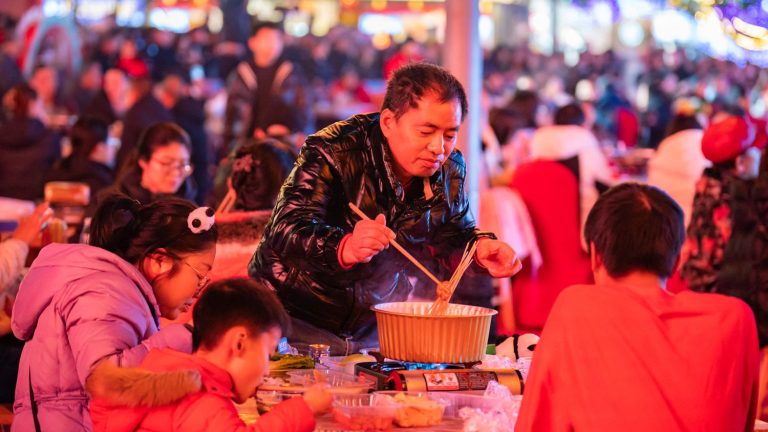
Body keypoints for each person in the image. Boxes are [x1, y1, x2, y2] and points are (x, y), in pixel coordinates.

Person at [249, 63, 521, 355]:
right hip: (294, 318)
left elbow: (452, 234)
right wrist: (344, 246)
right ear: (389, 121)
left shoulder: (450, 168)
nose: (438, 148)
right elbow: (286, 227)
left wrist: (477, 249)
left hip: (375, 323)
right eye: (426, 131)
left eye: (449, 135)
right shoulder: (333, 150)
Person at [515, 183, 759, 432]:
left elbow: (535, 424)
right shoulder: (734, 319)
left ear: (596, 255)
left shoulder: (577, 307)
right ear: (676, 260)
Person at [10, 195, 217, 431]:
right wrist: (185, 338)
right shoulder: (104, 291)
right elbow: (105, 382)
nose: (199, 291)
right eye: (200, 276)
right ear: (159, 261)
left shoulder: (118, 291)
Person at [86, 278, 331, 432]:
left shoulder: (164, 373)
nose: (266, 370)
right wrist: (305, 409)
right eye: (267, 353)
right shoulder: (201, 401)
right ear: (239, 343)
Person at [528, 102, 614, 242]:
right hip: (580, 229)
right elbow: (605, 184)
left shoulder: (537, 142)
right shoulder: (585, 142)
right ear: (582, 122)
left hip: (538, 231)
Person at [223, 21, 312, 155]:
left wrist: (291, 131)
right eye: (267, 39)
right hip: (247, 147)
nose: (273, 44)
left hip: (284, 147)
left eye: (277, 39)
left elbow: (303, 110)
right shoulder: (242, 73)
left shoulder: (291, 72)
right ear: (252, 42)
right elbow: (232, 115)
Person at [103, 122, 197, 210]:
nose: (176, 172)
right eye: (167, 163)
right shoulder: (115, 205)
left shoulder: (188, 208)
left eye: (183, 164)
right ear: (143, 161)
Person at [0, 83, 60, 201]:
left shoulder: (3, 134)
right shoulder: (48, 137)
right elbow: (56, 170)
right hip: (35, 201)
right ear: (33, 105)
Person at [44, 116, 114, 198]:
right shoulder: (102, 183)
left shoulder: (55, 171)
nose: (113, 148)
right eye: (111, 142)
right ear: (99, 148)